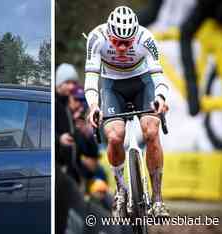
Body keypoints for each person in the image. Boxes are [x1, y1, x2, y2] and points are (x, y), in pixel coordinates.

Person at [84, 6, 170, 217]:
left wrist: (160, 97)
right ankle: (121, 188)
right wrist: (94, 104)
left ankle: (157, 198)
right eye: (117, 42)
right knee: (114, 136)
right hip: (112, 86)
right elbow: (92, 77)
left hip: (142, 83)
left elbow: (159, 76)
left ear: (135, 35)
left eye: (127, 42)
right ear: (109, 34)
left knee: (151, 130)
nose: (122, 48)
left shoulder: (146, 38)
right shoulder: (96, 38)